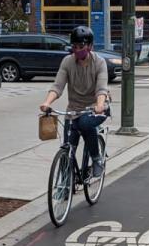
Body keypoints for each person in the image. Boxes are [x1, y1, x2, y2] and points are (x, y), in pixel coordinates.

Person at [39, 26, 110, 182]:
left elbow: (101, 88)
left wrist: (99, 105)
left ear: (90, 46)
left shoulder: (99, 63)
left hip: (96, 108)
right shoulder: (67, 62)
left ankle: (97, 159)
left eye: (81, 46)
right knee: (68, 148)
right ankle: (65, 186)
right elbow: (58, 86)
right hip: (73, 110)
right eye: (74, 46)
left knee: (85, 123)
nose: (77, 50)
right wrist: (47, 102)